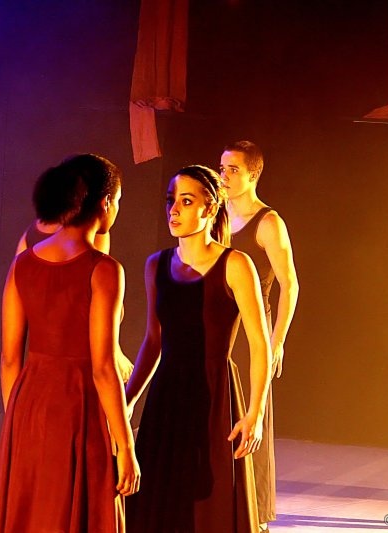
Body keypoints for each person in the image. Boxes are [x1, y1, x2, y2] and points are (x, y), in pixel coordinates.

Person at [0, 154, 140, 533]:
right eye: (119, 200)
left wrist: (15, 422)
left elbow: (9, 358)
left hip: (29, 402)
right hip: (79, 403)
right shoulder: (103, 269)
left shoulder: (23, 264)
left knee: (32, 510)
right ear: (105, 202)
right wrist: (126, 446)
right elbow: (103, 367)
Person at [125, 165, 272, 533]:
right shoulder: (155, 265)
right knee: (161, 502)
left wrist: (255, 413)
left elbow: (260, 344)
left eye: (186, 201)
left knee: (210, 504)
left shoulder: (235, 264)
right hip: (167, 397)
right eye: (171, 200)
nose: (174, 210)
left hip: (214, 395)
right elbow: (153, 341)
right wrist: (126, 400)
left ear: (210, 208)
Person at [219, 140, 299, 531]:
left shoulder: (268, 223)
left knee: (253, 413)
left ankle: (257, 512)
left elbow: (290, 284)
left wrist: (277, 339)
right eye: (222, 168)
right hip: (218, 325)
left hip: (252, 329)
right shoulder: (215, 214)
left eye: (233, 169)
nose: (224, 176)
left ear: (253, 174)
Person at [16, 216, 135, 383]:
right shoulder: (94, 236)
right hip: (83, 371)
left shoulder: (29, 240)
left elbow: (10, 357)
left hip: (42, 373)